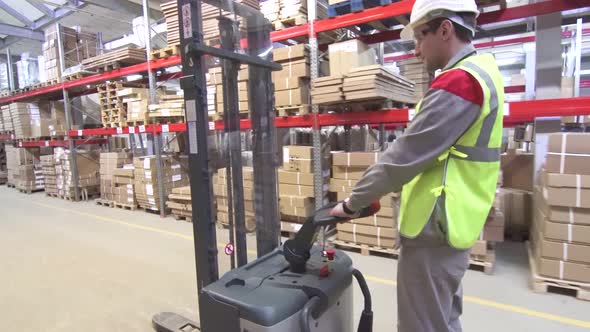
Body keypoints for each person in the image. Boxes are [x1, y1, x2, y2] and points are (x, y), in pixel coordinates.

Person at [330, 1, 504, 331]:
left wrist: (354, 202)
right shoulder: (485, 72)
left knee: (421, 324)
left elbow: (403, 157)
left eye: (420, 36)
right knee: (443, 320)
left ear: (445, 30)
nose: (415, 48)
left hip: (434, 228)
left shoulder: (460, 83)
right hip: (452, 225)